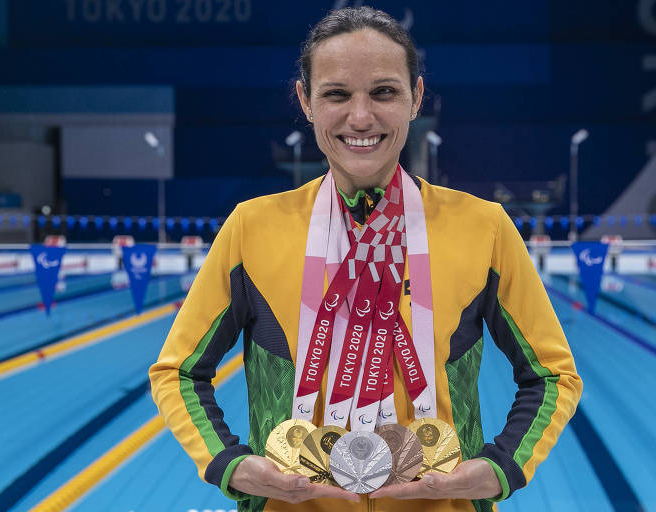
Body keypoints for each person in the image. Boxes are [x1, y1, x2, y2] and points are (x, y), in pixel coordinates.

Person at [149, 6, 582, 512]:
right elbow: (178, 371)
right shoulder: (252, 227)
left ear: (416, 97)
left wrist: (503, 467)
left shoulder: (483, 227)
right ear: (305, 101)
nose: (360, 117)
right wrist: (227, 462)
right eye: (336, 94)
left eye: (384, 92)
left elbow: (553, 374)